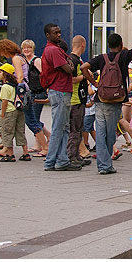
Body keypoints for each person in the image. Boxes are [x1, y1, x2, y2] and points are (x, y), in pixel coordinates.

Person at [81, 30, 132, 174]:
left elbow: (83, 68)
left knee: (100, 133)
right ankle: (106, 165)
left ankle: (103, 165)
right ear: (121, 45)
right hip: (116, 100)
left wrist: (94, 82)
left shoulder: (101, 58)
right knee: (110, 133)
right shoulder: (124, 56)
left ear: (108, 45)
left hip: (101, 99)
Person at [42, 24, 81, 171]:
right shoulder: (53, 50)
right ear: (48, 35)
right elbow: (69, 69)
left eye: (59, 32)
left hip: (60, 90)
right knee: (59, 127)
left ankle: (61, 159)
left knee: (63, 127)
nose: (59, 35)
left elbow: (69, 67)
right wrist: (69, 65)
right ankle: (52, 161)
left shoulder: (53, 50)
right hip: (60, 91)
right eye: (55, 33)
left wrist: (69, 65)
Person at [20, 39, 51, 156]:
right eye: (24, 48)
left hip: (39, 92)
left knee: (34, 118)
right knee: (34, 118)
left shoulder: (36, 60)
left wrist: (47, 89)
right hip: (31, 92)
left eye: (28, 48)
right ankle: (45, 138)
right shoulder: (24, 61)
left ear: (33, 48)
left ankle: (44, 145)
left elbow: (44, 74)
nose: (26, 50)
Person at [0, 63, 31, 162]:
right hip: (19, 110)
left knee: (7, 131)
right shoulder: (17, 85)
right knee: (20, 131)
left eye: (0, 72)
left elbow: (5, 102)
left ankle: (10, 154)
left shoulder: (5, 87)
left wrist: (2, 114)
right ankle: (26, 153)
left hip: (10, 111)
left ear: (5, 74)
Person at [67, 36, 91, 166]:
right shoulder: (74, 60)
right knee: (75, 129)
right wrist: (85, 76)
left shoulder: (75, 59)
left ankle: (76, 155)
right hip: (75, 99)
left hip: (78, 98)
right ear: (83, 44)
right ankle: (71, 156)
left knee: (78, 128)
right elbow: (72, 79)